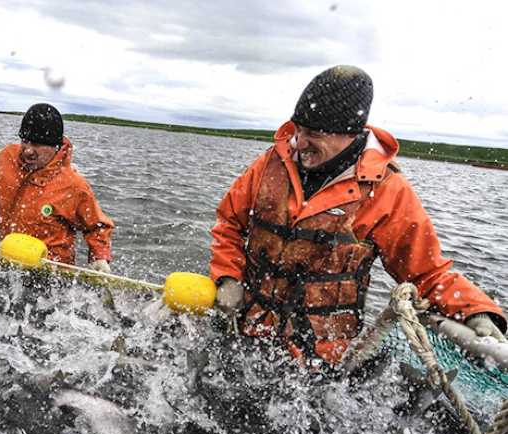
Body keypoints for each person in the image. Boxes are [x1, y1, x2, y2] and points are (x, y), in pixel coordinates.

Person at [209, 65, 506, 365]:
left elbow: (427, 273)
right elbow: (229, 225)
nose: (299, 142)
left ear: (348, 134)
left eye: (312, 134)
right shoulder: (270, 164)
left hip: (320, 364)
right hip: (243, 333)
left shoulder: (387, 190)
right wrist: (227, 277)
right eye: (297, 130)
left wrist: (475, 311)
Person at [0, 103, 114, 270]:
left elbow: (97, 226)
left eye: (37, 144)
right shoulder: (6, 157)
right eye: (25, 141)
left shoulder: (74, 186)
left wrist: (99, 257)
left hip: (52, 276)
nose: (28, 151)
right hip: (7, 262)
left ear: (55, 147)